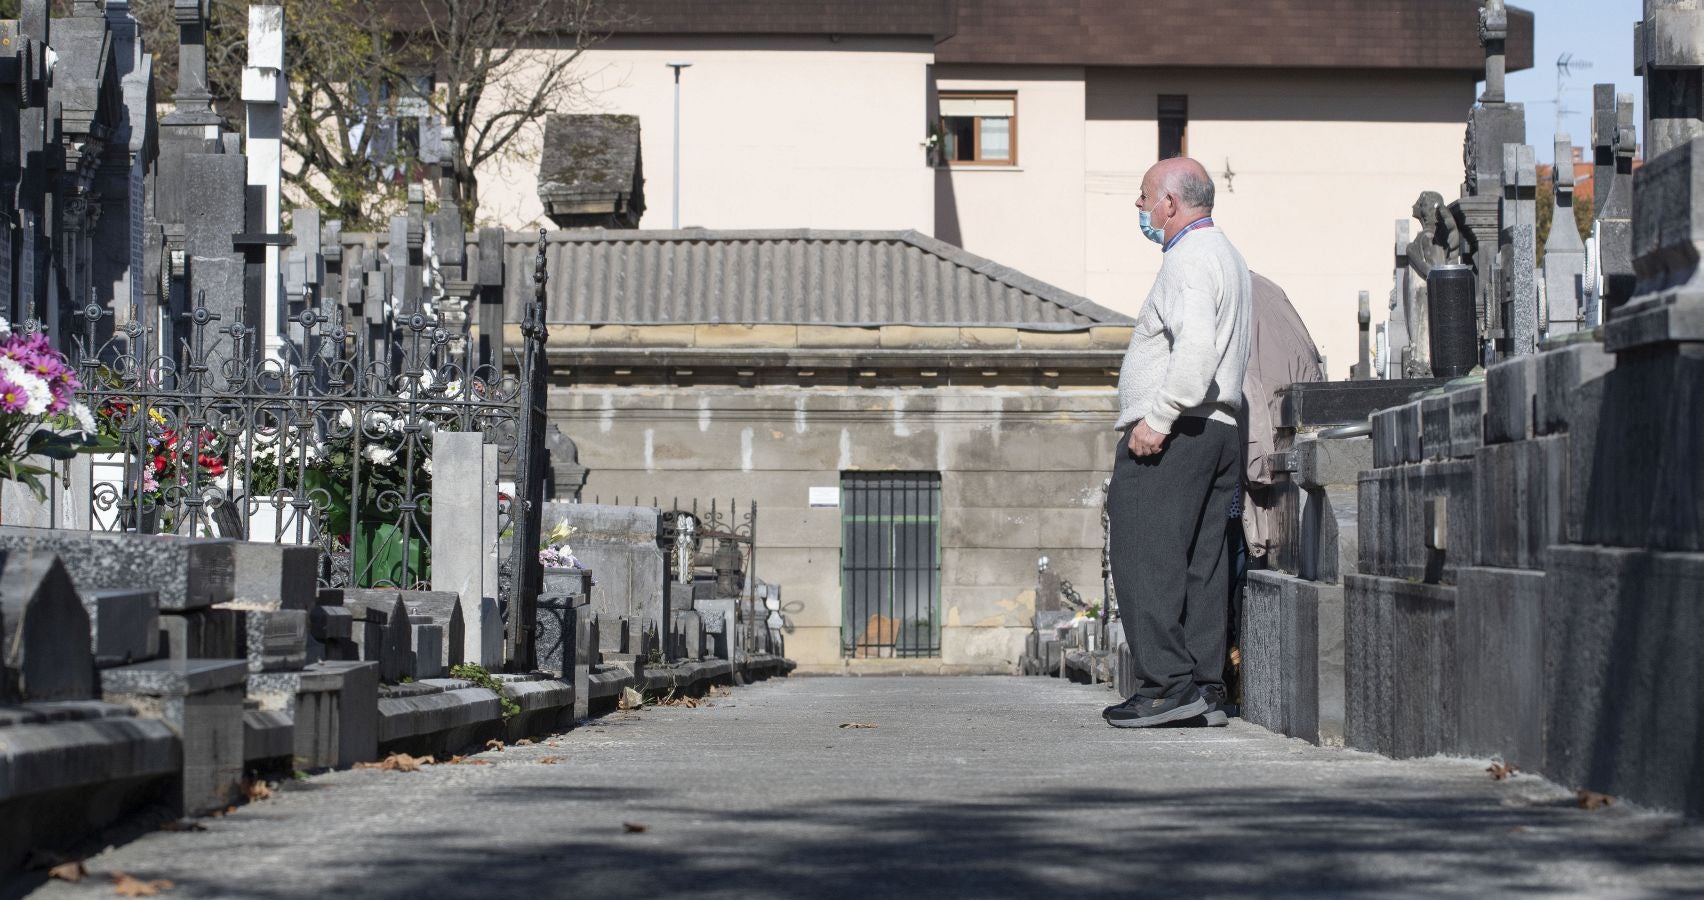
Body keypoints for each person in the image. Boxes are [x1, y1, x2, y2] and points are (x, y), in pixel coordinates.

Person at [1103, 157, 1251, 729]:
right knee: (1201, 562)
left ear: (1170, 203)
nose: (1139, 209)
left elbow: (1193, 354)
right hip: (1219, 428)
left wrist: (1158, 416)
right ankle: (1204, 687)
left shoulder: (1188, 260)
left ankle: (1166, 686)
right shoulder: (1227, 256)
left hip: (1179, 427)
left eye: (1144, 197)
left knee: (1146, 554)